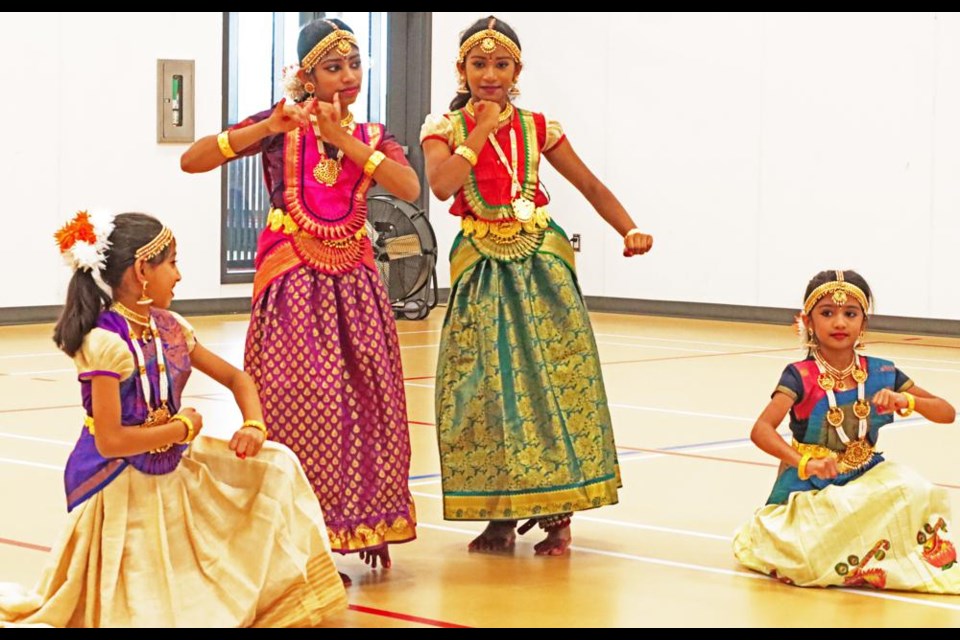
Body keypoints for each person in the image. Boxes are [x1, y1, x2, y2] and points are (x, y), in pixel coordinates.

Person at [0, 211, 347, 627]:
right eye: (172, 263)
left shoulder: (172, 328)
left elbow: (237, 379)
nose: (178, 275)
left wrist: (253, 426)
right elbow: (110, 441)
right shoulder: (104, 342)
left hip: (174, 468)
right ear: (143, 269)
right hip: (119, 482)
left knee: (276, 463)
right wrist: (181, 428)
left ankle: (284, 590)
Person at [180, 18, 419, 582]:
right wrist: (265, 125)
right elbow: (192, 161)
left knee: (367, 401)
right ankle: (297, 537)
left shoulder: (372, 134)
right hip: (291, 283)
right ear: (305, 76)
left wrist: (344, 143)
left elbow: (410, 190)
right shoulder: (280, 126)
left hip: (357, 288)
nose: (349, 78)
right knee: (297, 403)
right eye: (334, 67)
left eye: (355, 65)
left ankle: (362, 523)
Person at [419, 16, 654, 556]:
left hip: (542, 271)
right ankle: (498, 516)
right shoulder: (443, 129)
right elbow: (441, 185)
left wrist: (629, 227)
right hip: (482, 272)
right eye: (479, 64)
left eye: (501, 64)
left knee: (552, 389)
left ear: (517, 70)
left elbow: (589, 183)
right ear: (462, 69)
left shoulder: (538, 127)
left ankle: (558, 515)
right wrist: (479, 129)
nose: (490, 74)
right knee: (485, 393)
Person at [733, 269, 960, 592]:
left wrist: (906, 399)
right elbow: (761, 430)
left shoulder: (882, 370)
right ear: (808, 322)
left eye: (850, 314)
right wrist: (804, 462)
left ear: (863, 323)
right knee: (811, 552)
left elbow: (947, 413)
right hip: (811, 482)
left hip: (867, 472)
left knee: (916, 490)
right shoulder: (800, 375)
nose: (839, 323)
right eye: (827, 313)